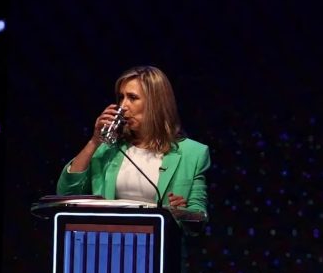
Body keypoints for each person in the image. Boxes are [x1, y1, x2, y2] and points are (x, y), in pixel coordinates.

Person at [57, 66, 209, 215]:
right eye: (121, 97)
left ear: (155, 103)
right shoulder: (109, 148)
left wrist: (181, 211)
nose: (122, 106)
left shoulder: (193, 154)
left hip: (158, 237)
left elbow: (198, 215)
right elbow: (66, 194)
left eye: (132, 98)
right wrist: (94, 141)